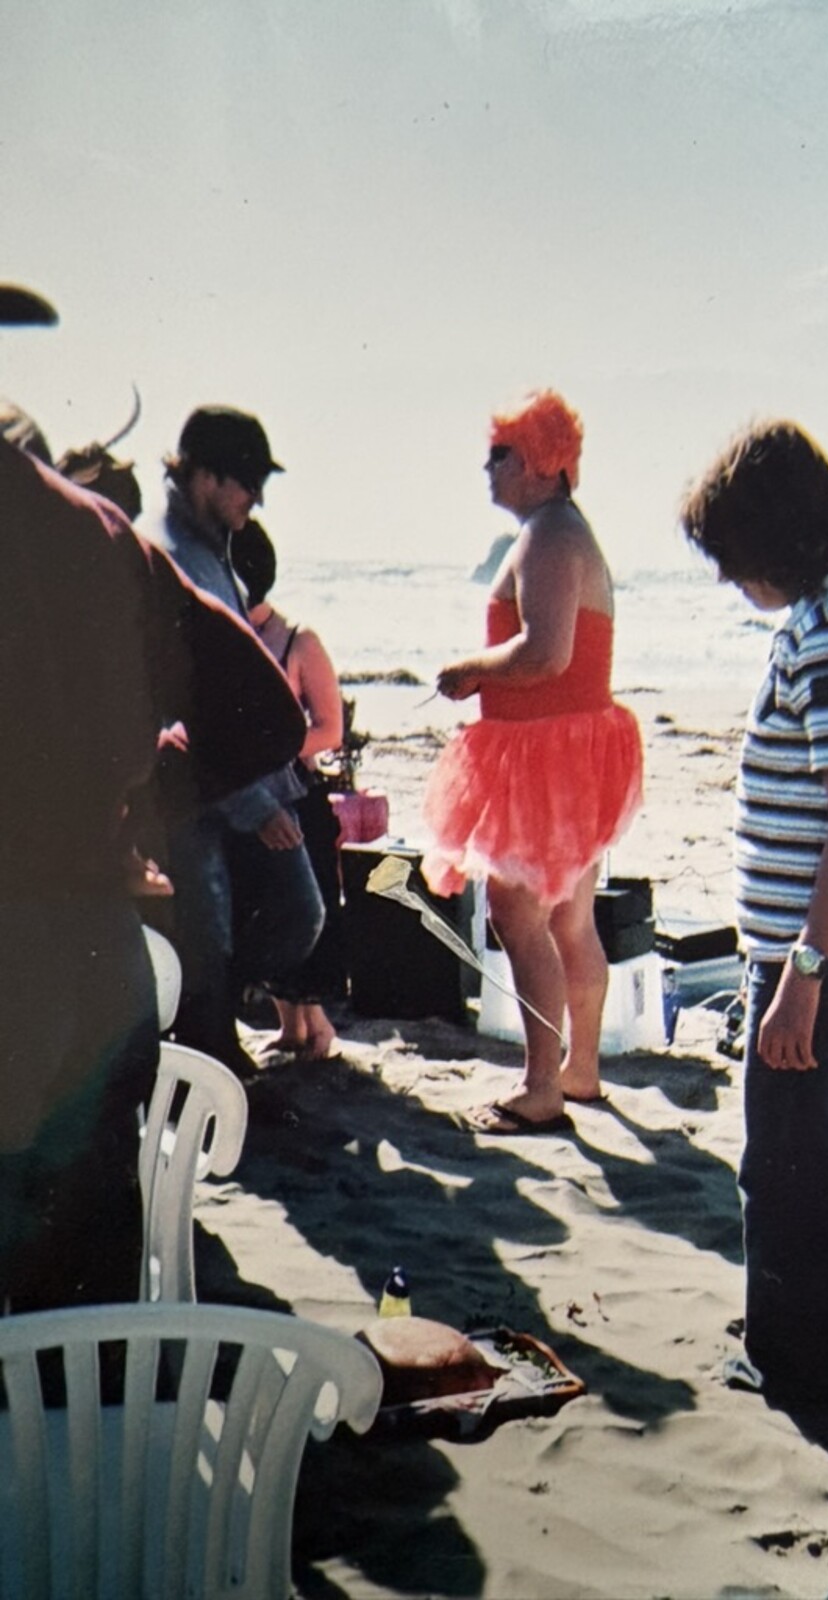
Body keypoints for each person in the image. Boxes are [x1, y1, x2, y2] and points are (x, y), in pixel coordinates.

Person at [0, 283, 306, 1312]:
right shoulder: (95, 531)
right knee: (79, 1310)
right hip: (96, 953)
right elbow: (265, 715)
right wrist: (142, 804)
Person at [679, 420, 828, 1410]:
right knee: (807, 1171)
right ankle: (797, 1348)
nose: (737, 584)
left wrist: (800, 978)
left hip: (826, 961)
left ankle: (797, 1373)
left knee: (793, 1179)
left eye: (737, 563)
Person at [423, 390, 643, 1133]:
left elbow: (546, 652)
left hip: (545, 753)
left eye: (500, 454)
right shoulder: (564, 531)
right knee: (572, 920)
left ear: (541, 463)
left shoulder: (550, 535)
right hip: (573, 751)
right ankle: (579, 1072)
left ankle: (541, 1086)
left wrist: (471, 668)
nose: (487, 468)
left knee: (522, 919)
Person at [149, 406, 325, 1074]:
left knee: (292, 918)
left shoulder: (213, 549)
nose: (257, 497)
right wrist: (254, 804)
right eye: (247, 481)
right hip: (191, 786)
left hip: (234, 779)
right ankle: (209, 1046)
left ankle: (210, 1027)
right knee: (212, 928)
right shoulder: (166, 550)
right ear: (204, 476)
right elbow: (183, 699)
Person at [231, 517, 346, 1059]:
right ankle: (291, 1028)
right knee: (260, 910)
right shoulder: (221, 636)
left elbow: (331, 728)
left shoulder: (299, 640)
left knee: (305, 913)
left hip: (294, 796)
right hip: (241, 801)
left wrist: (271, 745)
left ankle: (316, 1026)